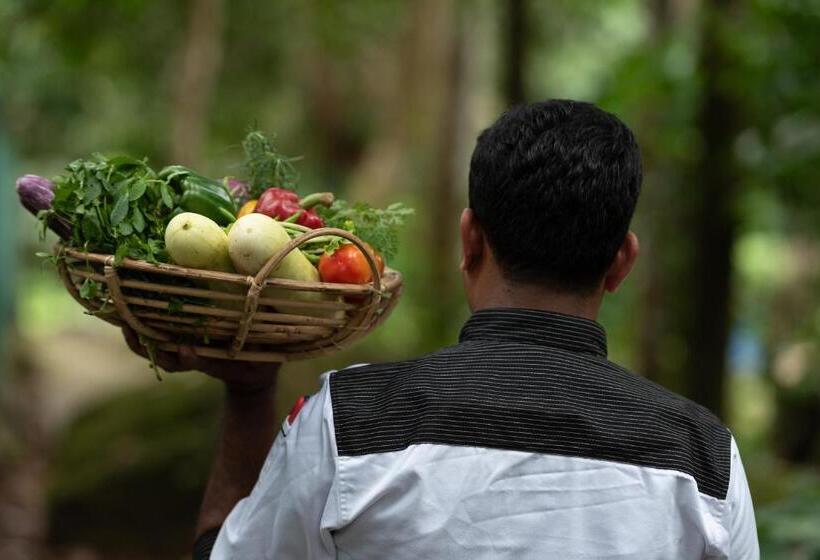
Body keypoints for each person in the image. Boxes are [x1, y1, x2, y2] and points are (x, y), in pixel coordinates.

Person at [124, 99, 759, 559]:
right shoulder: (702, 460)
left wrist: (249, 390)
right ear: (622, 262)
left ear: (468, 239)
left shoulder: (347, 423)